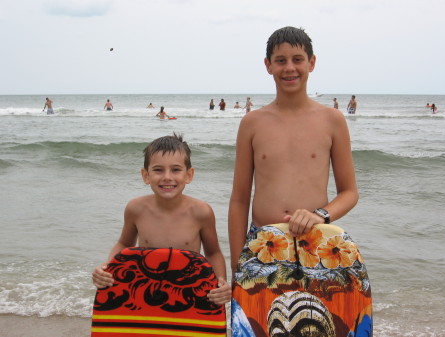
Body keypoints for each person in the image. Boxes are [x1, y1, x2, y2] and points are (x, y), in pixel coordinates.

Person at [228, 26, 359, 275]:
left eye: (297, 59)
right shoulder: (252, 123)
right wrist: (238, 264)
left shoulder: (332, 120)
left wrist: (321, 215)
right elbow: (239, 199)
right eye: (280, 61)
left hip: (317, 242)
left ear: (311, 63)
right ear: (268, 65)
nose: (289, 68)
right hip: (262, 243)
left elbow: (350, 192)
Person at [92, 133, 231, 305]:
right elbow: (124, 244)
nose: (167, 177)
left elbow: (213, 253)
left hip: (186, 290)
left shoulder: (201, 212)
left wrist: (221, 282)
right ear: (145, 175)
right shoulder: (136, 209)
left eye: (176, 169)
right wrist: (107, 268)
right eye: (158, 170)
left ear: (189, 175)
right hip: (145, 290)